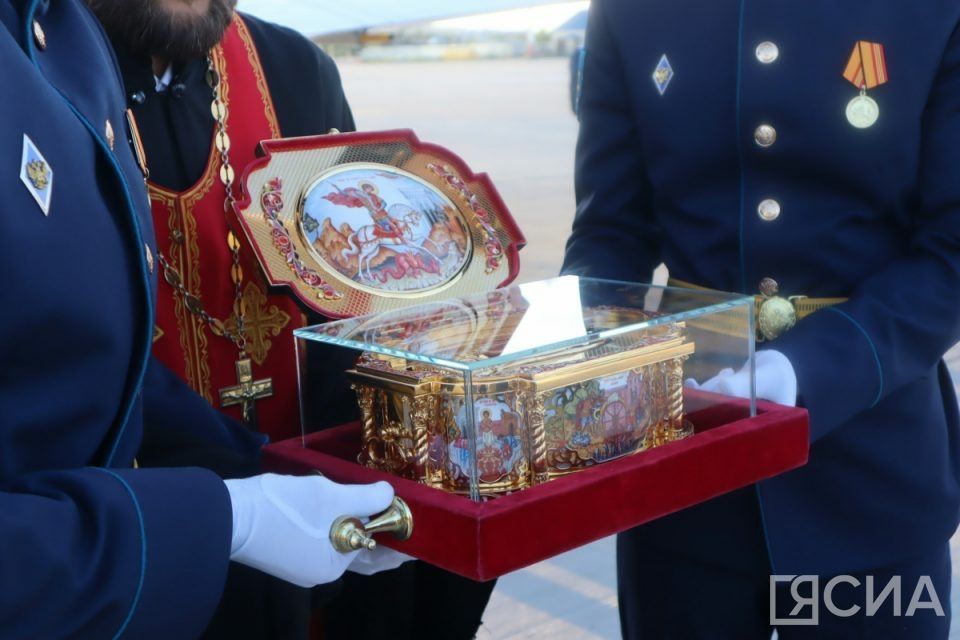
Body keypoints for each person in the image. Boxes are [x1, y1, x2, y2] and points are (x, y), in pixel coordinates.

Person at [87, 1, 496, 637]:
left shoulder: (295, 71)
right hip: (135, 543)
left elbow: (364, 314)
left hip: (319, 537)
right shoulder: (38, 77)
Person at [0, 0, 401, 638]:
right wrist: (233, 514)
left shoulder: (291, 71)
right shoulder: (62, 48)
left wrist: (288, 478)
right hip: (101, 565)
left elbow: (359, 315)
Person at [563, 1, 960, 638]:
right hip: (683, 469)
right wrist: (569, 360)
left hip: (868, 472)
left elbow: (950, 253)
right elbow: (610, 233)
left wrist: (811, 369)